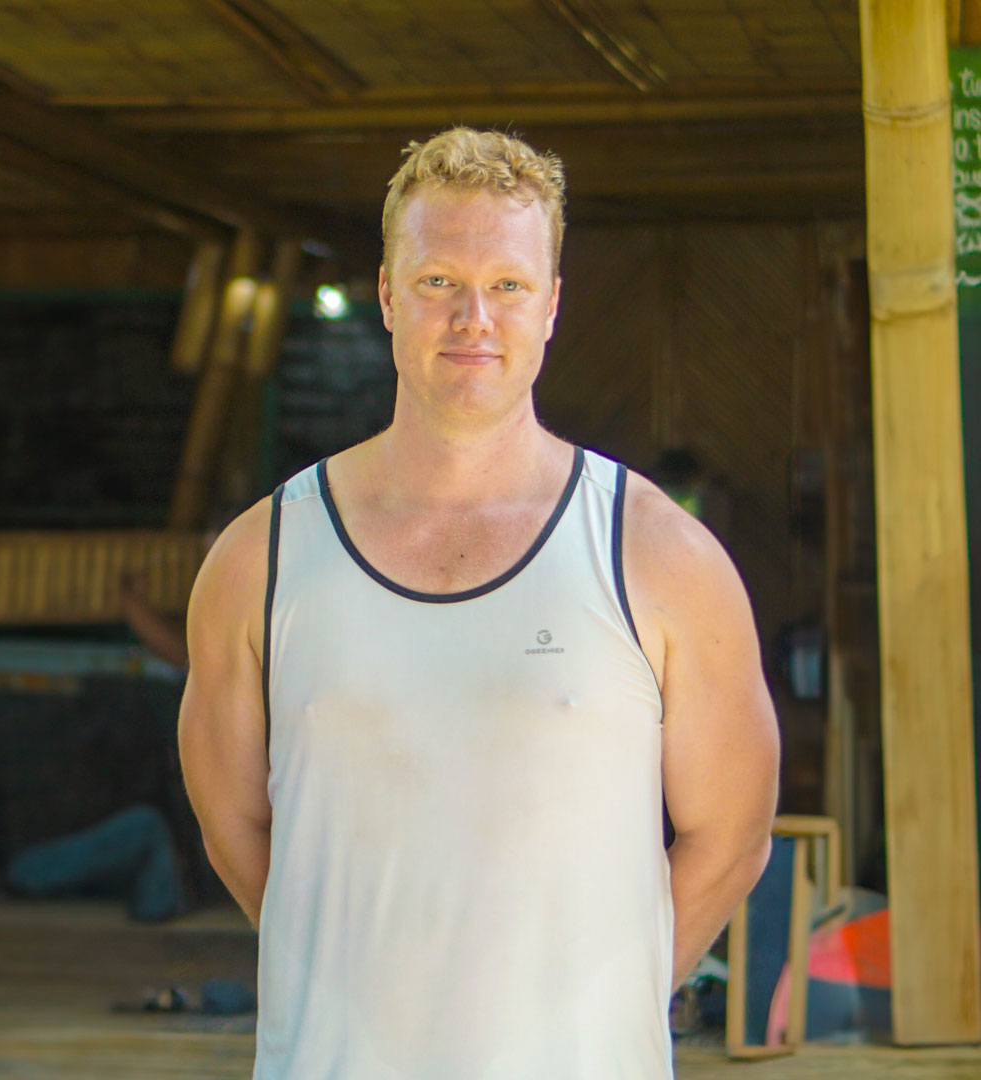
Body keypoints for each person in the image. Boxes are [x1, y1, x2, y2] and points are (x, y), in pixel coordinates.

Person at [178, 128, 780, 1078]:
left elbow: (733, 836)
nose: (474, 318)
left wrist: (591, 1019)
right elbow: (232, 829)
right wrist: (357, 987)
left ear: (551, 304)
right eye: (437, 283)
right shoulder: (261, 557)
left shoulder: (661, 556)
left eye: (507, 284)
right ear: (386, 294)